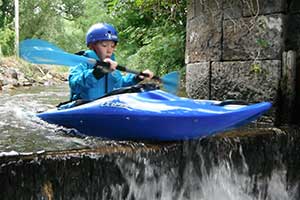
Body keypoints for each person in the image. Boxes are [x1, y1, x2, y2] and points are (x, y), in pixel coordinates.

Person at [68, 23, 154, 102]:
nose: (109, 50)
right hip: (84, 105)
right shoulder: (80, 62)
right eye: (104, 45)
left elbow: (120, 84)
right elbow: (75, 84)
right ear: (92, 46)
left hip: (108, 105)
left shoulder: (112, 65)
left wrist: (136, 78)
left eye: (112, 46)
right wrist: (97, 72)